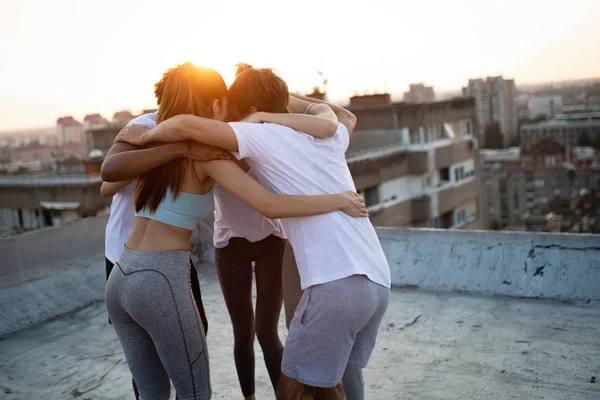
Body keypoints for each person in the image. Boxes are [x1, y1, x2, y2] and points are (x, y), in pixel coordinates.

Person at [116, 65, 391, 400]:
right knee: (332, 377)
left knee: (292, 388)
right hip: (377, 278)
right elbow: (341, 116)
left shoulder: (256, 133)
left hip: (122, 274)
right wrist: (277, 99)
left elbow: (185, 128)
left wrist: (144, 138)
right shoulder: (327, 135)